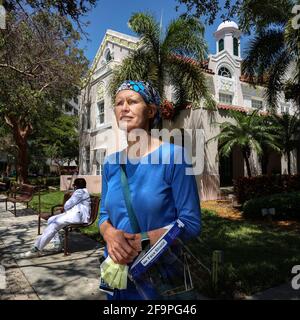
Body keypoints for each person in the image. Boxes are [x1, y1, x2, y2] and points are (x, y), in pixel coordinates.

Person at [99, 80, 201, 300]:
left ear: (151, 110)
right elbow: (103, 216)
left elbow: (191, 223)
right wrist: (110, 234)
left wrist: (144, 240)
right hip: (116, 276)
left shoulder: (175, 157)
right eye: (118, 103)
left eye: (132, 101)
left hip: (157, 279)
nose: (123, 107)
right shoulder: (110, 164)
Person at [20, 178, 91, 258]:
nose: (73, 187)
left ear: (76, 186)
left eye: (74, 185)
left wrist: (68, 203)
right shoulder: (83, 191)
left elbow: (68, 205)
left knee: (53, 225)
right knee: (51, 220)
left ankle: (37, 249)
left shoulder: (79, 192)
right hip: (75, 214)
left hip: (77, 216)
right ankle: (57, 243)